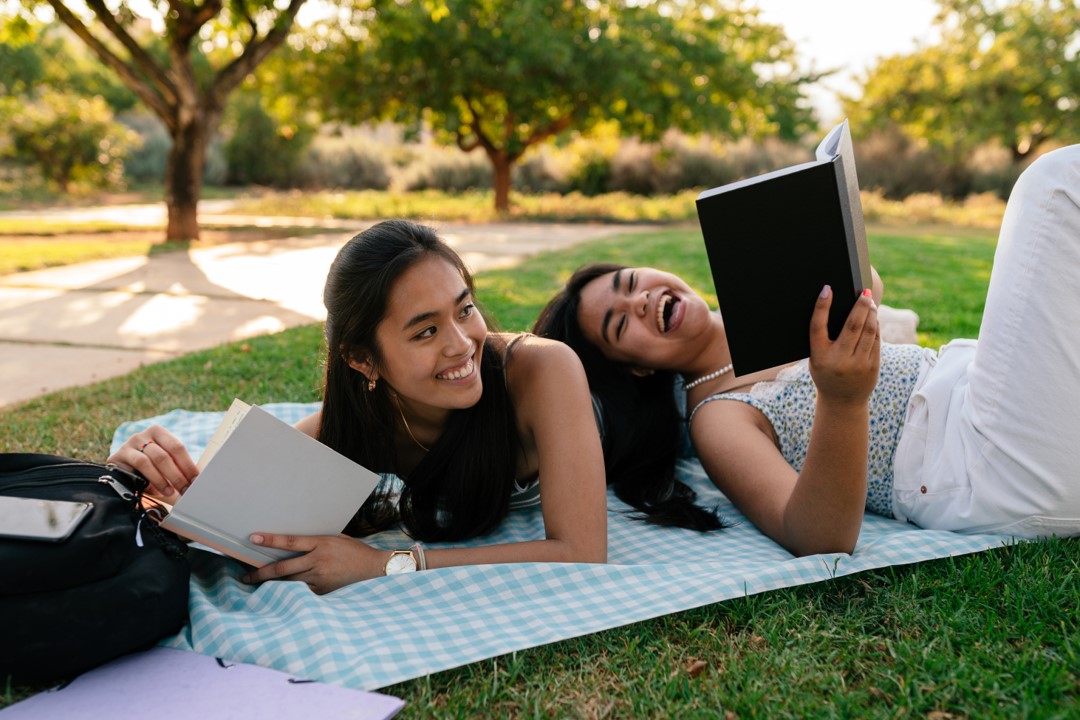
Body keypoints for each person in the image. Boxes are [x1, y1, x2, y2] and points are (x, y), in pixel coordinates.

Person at [535, 144, 1080, 557]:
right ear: (637, 365)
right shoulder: (717, 416)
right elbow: (814, 535)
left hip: (983, 390)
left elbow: (869, 287)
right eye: (618, 323)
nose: (642, 300)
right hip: (975, 462)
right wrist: (842, 401)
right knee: (1054, 185)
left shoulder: (767, 303)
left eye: (632, 281)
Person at [108, 220, 607, 594]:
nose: (461, 344)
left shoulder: (543, 369)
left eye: (465, 309)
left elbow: (581, 551)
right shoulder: (360, 421)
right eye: (426, 330)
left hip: (635, 412)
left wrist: (385, 563)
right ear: (362, 360)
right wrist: (137, 479)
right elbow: (210, 515)